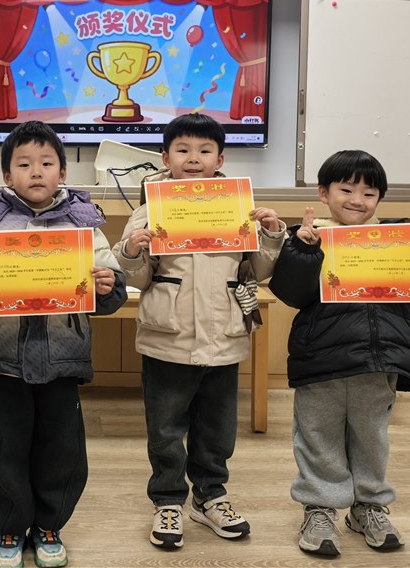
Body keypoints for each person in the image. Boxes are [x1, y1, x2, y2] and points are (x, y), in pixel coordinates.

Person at [0, 121, 127, 568]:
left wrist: (108, 285)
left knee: (62, 451)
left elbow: (112, 286)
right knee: (1, 451)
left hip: (63, 358)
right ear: (7, 175)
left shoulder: (84, 222)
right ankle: (9, 526)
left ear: (62, 172)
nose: (36, 171)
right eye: (24, 164)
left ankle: (48, 525)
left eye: (46, 163)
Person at [268, 149, 410, 557]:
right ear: (323, 193)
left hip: (380, 360)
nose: (357, 200)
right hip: (321, 359)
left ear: (379, 199)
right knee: (318, 436)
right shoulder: (308, 237)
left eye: (369, 193)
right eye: (346, 189)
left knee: (372, 438)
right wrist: (303, 251)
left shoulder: (401, 239)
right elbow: (290, 292)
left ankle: (369, 507)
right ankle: (320, 508)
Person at [111, 112, 286, 550]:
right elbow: (138, 279)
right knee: (165, 430)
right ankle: (168, 500)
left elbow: (258, 270)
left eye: (205, 150)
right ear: (165, 157)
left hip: (224, 337)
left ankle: (210, 496)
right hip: (166, 338)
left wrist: (270, 234)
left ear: (220, 159)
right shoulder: (148, 211)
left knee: (217, 429)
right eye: (183, 150)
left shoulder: (239, 208)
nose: (194, 158)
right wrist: (131, 250)